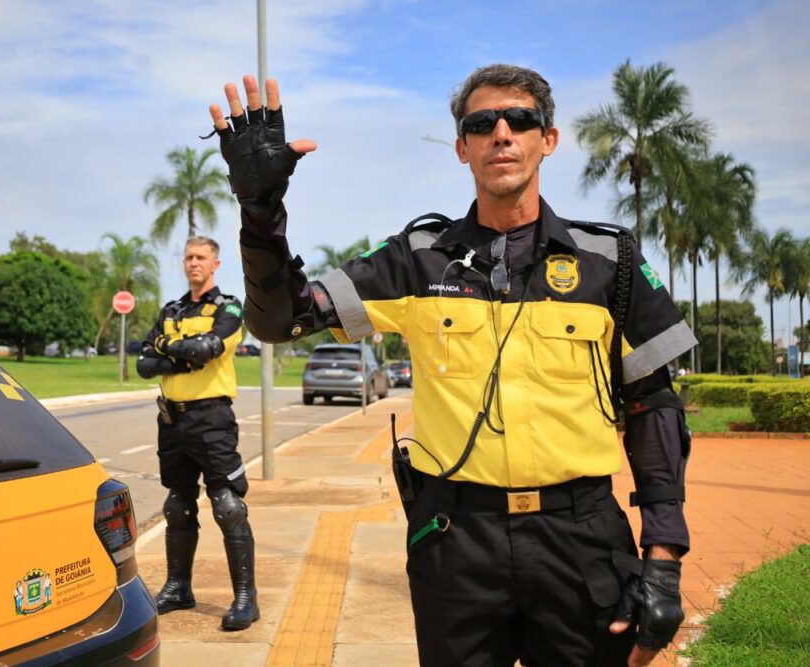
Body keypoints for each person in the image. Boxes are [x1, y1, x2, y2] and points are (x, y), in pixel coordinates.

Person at [208, 66, 694, 665]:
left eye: (520, 120)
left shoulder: (609, 261)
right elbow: (280, 320)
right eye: (481, 124)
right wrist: (260, 209)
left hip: (582, 540)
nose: (502, 134)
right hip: (456, 541)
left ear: (548, 139)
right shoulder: (417, 259)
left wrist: (664, 561)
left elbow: (653, 404)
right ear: (463, 148)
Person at [135, 236, 258, 631]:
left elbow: (209, 348)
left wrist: (166, 347)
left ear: (215, 264)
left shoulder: (229, 308)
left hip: (211, 417)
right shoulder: (170, 310)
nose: (194, 263)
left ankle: (246, 598)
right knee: (177, 505)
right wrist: (182, 356)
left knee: (228, 506)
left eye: (201, 257)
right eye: (189, 257)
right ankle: (178, 588)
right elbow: (143, 362)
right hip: (171, 419)